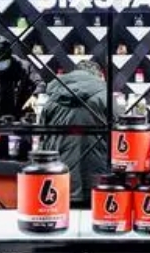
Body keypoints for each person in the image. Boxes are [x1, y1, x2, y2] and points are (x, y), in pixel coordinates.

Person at [38, 60, 108, 206]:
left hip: (59, 174)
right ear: (98, 75)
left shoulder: (53, 96)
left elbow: (43, 135)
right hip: (97, 176)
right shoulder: (105, 96)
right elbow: (119, 130)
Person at [0, 35, 46, 122]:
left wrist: (35, 96)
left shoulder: (25, 68)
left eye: (2, 61)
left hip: (22, 120)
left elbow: (41, 84)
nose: (0, 65)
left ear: (9, 57)